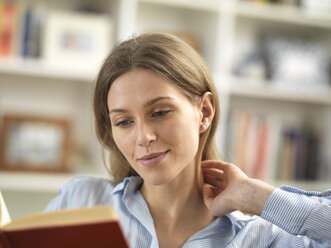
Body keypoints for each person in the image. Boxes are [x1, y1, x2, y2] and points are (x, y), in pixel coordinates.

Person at [45, 33, 331, 248]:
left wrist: (256, 198)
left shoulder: (259, 239)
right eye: (124, 122)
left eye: (160, 112)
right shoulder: (81, 202)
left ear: (204, 112)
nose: (143, 137)